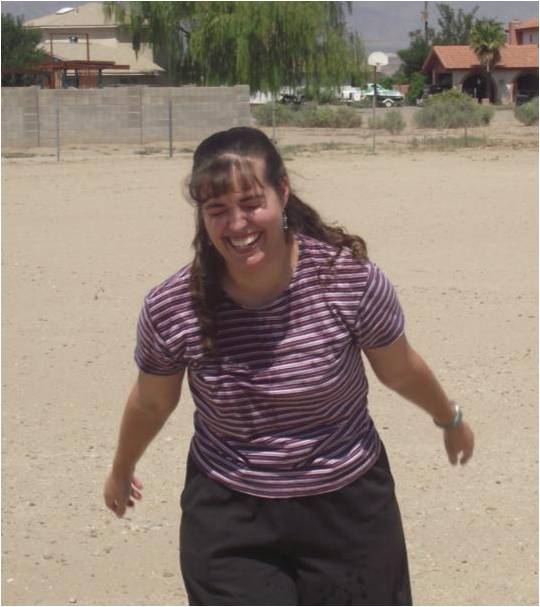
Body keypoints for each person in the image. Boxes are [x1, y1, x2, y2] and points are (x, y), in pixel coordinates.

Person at [104, 126, 474, 606]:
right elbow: (152, 403)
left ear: (282, 191)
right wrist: (121, 469)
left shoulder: (348, 281)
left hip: (349, 505)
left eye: (251, 203)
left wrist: (450, 419)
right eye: (217, 209)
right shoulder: (174, 307)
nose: (237, 224)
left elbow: (400, 370)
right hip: (229, 514)